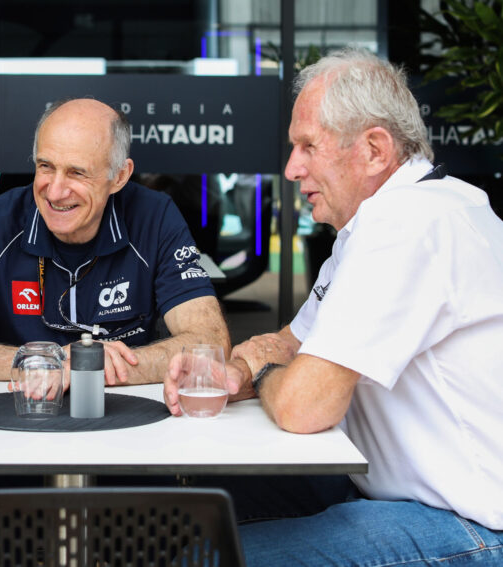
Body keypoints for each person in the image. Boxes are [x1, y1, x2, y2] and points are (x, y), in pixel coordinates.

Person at [165, 48, 503, 566]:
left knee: (208, 556)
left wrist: (269, 372)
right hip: (394, 491)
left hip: (472, 522)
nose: (291, 168)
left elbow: (302, 407)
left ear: (374, 149)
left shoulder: (408, 224)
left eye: (308, 146)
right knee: (191, 510)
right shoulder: (392, 217)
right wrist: (235, 372)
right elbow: (291, 341)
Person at [0, 98, 229, 386]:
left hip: (126, 412)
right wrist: (45, 363)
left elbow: (210, 342)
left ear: (119, 176)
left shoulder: (155, 218)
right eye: (45, 166)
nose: (55, 191)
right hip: (18, 408)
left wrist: (95, 366)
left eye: (77, 173)